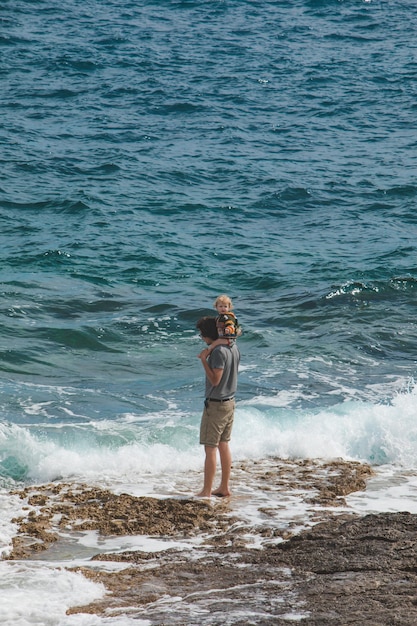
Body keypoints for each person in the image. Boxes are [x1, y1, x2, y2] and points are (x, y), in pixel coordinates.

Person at [196, 316, 240, 498]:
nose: (202, 338)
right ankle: (224, 487)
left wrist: (203, 360)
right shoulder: (233, 347)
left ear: (208, 335)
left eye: (202, 335)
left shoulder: (218, 352)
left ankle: (206, 491)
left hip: (216, 405)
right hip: (230, 402)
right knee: (224, 445)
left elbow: (215, 380)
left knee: (210, 448)